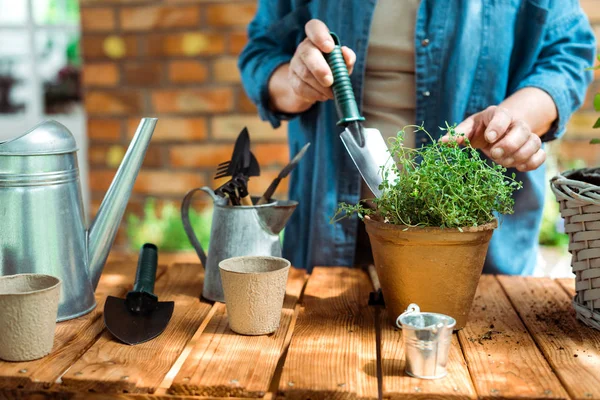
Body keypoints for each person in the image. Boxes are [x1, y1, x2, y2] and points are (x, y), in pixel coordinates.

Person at [238, 0, 596, 274]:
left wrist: (513, 120)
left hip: (472, 246)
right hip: (332, 237)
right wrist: (298, 82)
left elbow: (567, 56)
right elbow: (261, 55)